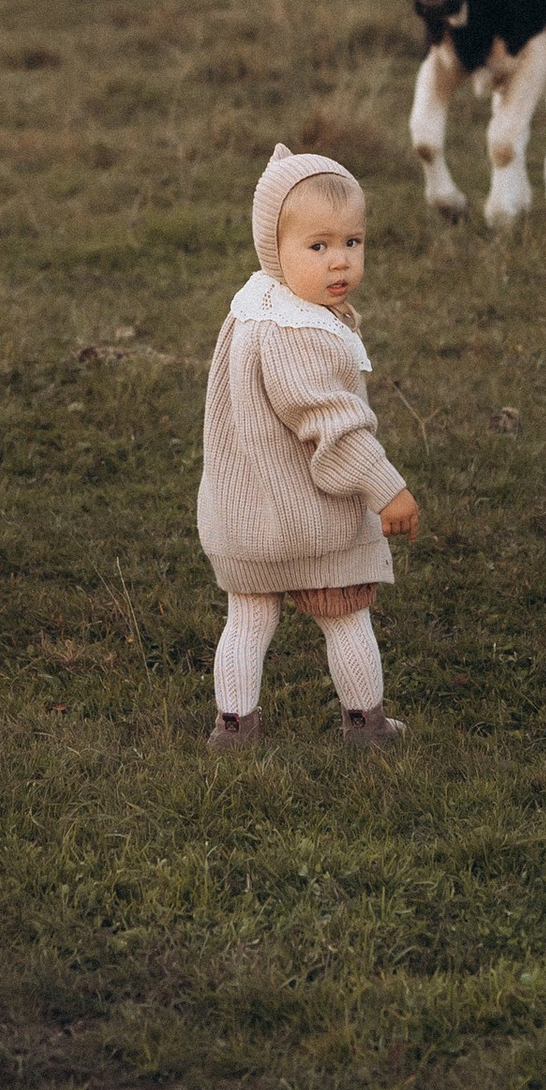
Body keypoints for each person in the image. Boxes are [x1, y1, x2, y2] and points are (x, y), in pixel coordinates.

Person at [199, 143, 419, 747]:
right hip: (308, 520)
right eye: (317, 246)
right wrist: (386, 489)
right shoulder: (300, 333)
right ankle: (366, 725)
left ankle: (234, 727)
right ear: (274, 249)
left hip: (245, 515)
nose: (339, 260)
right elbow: (333, 424)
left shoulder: (257, 306)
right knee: (344, 616)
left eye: (352, 241)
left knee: (249, 617)